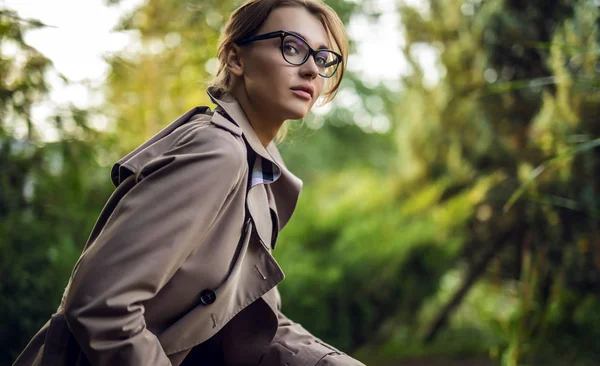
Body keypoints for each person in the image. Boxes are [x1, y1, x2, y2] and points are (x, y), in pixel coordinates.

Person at [13, 0, 365, 365]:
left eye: (323, 58)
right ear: (236, 59)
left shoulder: (257, 168)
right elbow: (101, 304)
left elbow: (245, 325)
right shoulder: (218, 152)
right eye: (291, 47)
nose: (311, 69)